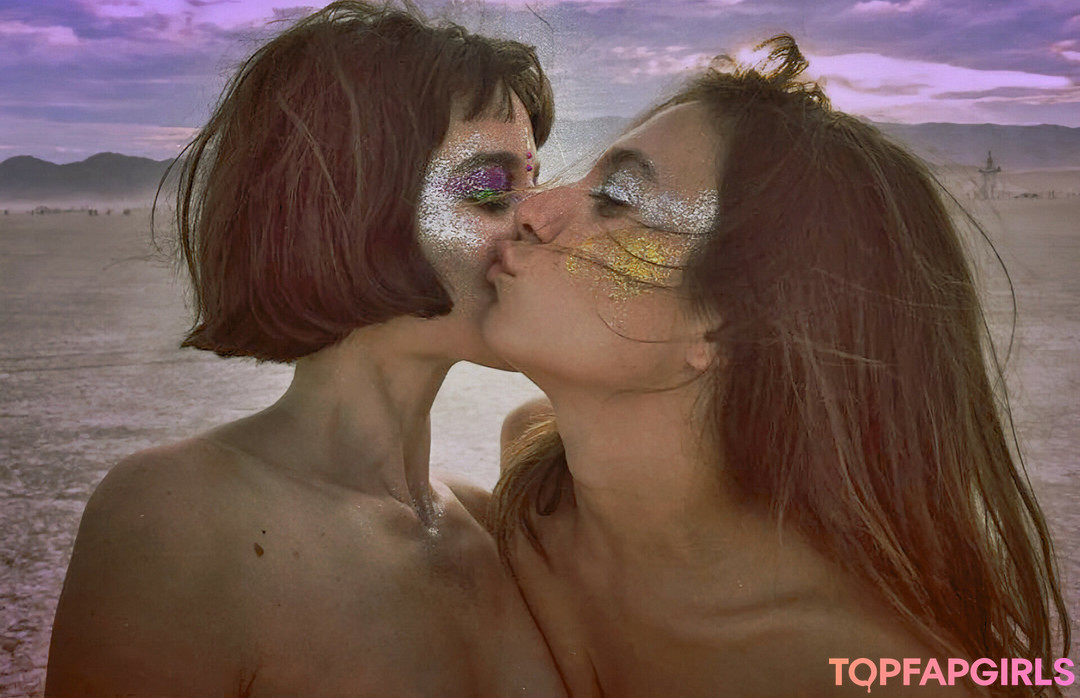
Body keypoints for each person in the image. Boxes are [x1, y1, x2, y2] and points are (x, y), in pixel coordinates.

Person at [485, 36, 1071, 696]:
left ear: (725, 324)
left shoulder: (858, 674)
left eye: (617, 196)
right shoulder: (534, 478)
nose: (530, 209)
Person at [46, 2, 567, 695]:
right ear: (347, 207)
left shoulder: (493, 521)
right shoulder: (182, 516)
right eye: (490, 189)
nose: (541, 219)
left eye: (534, 183)